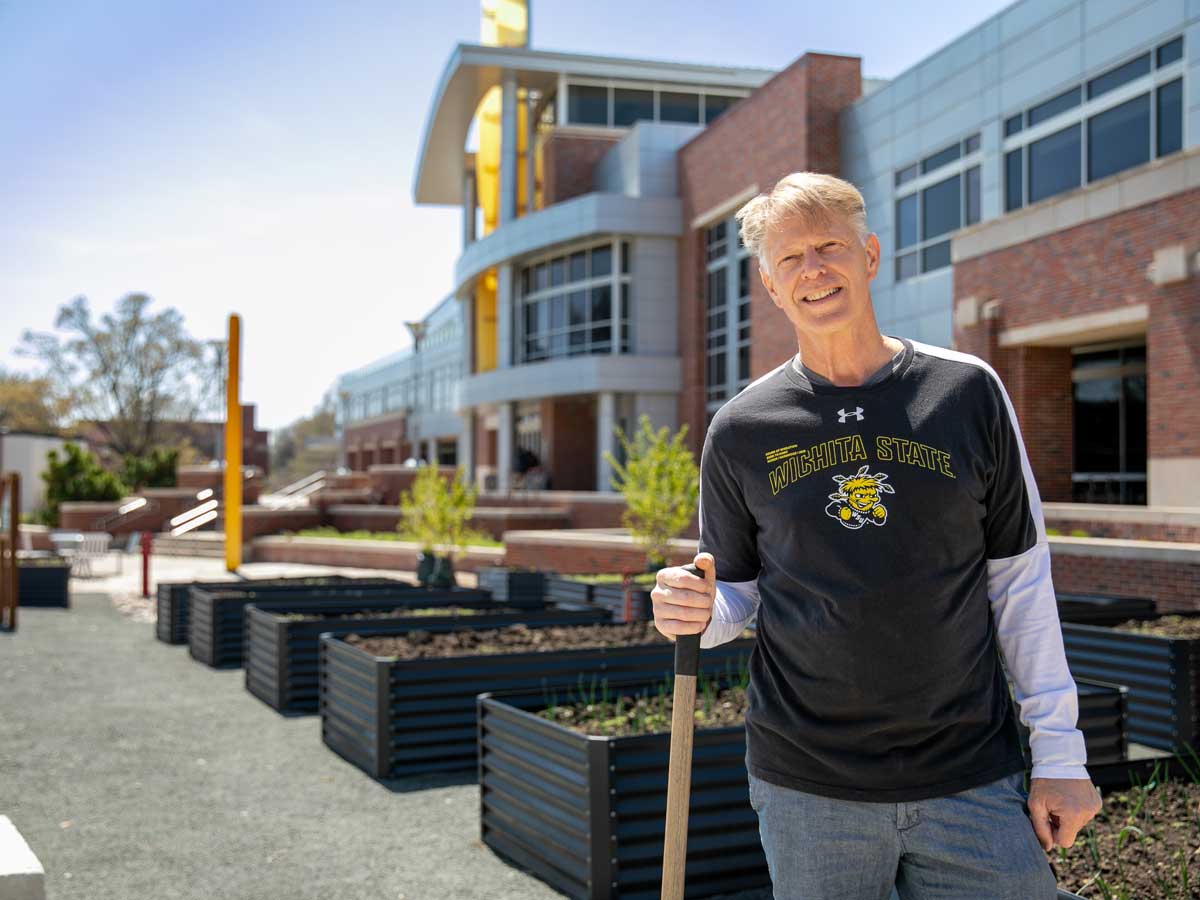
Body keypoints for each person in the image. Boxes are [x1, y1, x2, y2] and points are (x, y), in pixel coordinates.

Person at [651, 172, 1101, 899]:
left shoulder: (966, 392)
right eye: (790, 259)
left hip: (970, 774)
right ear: (769, 286)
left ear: (869, 255)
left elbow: (1020, 583)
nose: (813, 270)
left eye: (829, 246)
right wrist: (692, 613)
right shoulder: (741, 429)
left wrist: (1061, 754)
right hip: (809, 785)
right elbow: (734, 595)